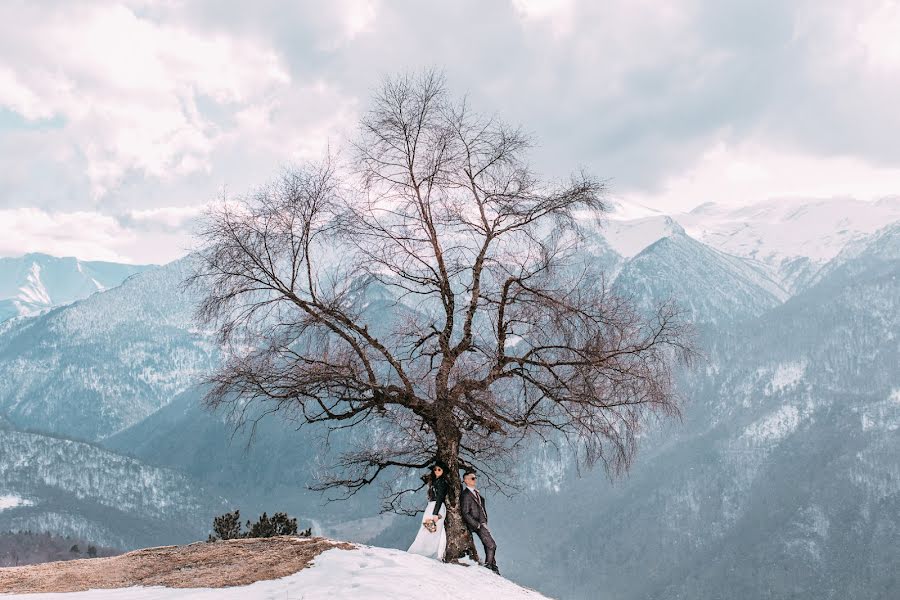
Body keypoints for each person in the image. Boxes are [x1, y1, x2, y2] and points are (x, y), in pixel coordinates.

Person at [407, 460, 449, 560]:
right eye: (435, 469)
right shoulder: (435, 481)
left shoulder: (442, 482)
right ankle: (422, 551)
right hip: (432, 507)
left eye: (439, 469)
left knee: (431, 531)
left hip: (436, 508)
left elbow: (440, 497)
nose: (437, 471)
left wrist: (435, 513)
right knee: (427, 529)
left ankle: (426, 553)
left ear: (443, 471)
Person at [460, 469, 498, 574]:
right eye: (472, 478)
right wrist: (476, 524)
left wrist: (484, 521)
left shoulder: (475, 493)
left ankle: (492, 565)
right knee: (492, 545)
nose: (475, 480)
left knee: (489, 544)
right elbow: (465, 513)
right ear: (466, 480)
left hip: (482, 523)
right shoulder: (466, 495)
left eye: (475, 478)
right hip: (476, 524)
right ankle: (489, 566)